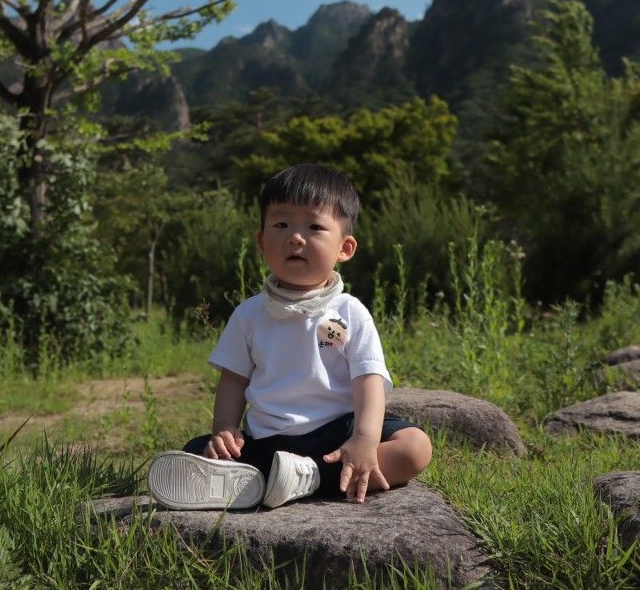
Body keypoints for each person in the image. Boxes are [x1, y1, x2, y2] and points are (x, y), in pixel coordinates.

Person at [147, 164, 432, 510]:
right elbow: (233, 380)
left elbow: (368, 380)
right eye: (281, 225)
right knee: (197, 449)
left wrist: (365, 439)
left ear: (345, 247)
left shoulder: (348, 311)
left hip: (337, 436)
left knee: (414, 447)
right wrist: (224, 429)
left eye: (314, 227)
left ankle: (305, 478)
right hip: (268, 440)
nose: (296, 237)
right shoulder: (250, 314)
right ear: (262, 241)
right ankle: (260, 480)